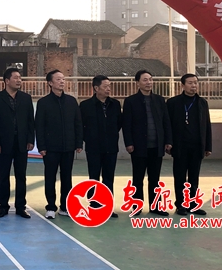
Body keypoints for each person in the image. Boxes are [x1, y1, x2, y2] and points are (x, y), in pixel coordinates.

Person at [122, 70, 172, 216]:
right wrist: (129, 143)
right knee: (138, 178)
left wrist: (168, 141)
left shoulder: (160, 100)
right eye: (145, 80)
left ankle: (156, 206)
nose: (149, 82)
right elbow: (127, 124)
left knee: (155, 179)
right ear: (138, 83)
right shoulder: (131, 101)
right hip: (138, 146)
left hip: (157, 146)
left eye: (150, 79)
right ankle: (137, 206)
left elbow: (166, 122)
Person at [35, 69, 83, 219]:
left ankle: (65, 206)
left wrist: (78, 142)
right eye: (58, 79)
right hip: (50, 148)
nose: (62, 81)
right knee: (50, 177)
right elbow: (39, 126)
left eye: (63, 79)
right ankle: (50, 207)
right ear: (50, 83)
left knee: (67, 177)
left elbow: (78, 123)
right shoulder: (43, 103)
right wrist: (42, 146)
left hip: (68, 147)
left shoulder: (71, 101)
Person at [0, 67, 35, 219]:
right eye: (16, 78)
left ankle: (21, 207)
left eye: (20, 78)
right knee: (4, 176)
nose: (19, 80)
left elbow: (30, 121)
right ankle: (3, 207)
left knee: (21, 176)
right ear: (7, 81)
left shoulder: (26, 98)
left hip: (22, 143)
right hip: (3, 144)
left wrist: (30, 140)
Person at [167, 73, 212, 216]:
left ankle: (193, 205)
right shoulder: (173, 103)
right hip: (180, 146)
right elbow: (167, 125)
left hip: (197, 146)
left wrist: (208, 146)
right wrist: (168, 142)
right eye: (190, 83)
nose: (194, 86)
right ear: (183, 85)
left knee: (194, 177)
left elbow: (207, 125)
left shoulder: (202, 103)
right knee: (179, 177)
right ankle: (180, 205)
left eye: (195, 83)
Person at [79, 75, 123, 219]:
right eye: (105, 86)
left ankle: (107, 206)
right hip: (93, 147)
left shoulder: (115, 104)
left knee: (109, 177)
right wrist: (88, 138)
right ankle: (94, 205)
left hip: (111, 147)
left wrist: (111, 135)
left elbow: (118, 123)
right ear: (96, 88)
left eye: (109, 86)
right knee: (94, 177)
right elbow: (81, 125)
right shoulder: (85, 105)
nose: (108, 89)